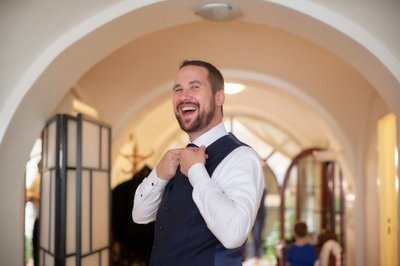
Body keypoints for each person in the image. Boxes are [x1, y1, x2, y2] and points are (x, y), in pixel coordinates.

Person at [132, 60, 265, 266]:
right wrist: (158, 175)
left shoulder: (242, 157)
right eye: (178, 89)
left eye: (195, 87)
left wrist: (196, 171)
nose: (184, 96)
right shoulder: (175, 159)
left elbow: (234, 234)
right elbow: (140, 215)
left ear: (219, 97)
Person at [112, 165, 154, 266]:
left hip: (149, 238)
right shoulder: (121, 189)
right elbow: (116, 217)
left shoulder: (163, 187)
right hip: (131, 238)